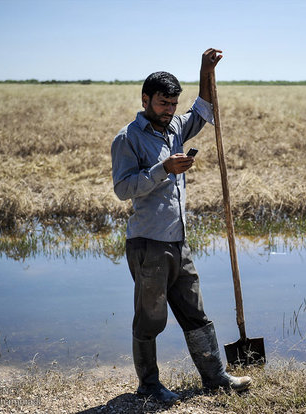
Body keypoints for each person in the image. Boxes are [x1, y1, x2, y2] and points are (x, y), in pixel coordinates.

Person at [110, 48, 252, 403]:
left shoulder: (175, 128)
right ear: (145, 100)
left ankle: (215, 377)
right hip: (148, 243)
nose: (169, 110)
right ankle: (149, 386)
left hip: (177, 241)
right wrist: (163, 170)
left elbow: (203, 108)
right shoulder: (127, 139)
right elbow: (123, 189)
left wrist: (205, 70)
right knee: (150, 319)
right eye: (162, 103)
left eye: (173, 103)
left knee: (195, 311)